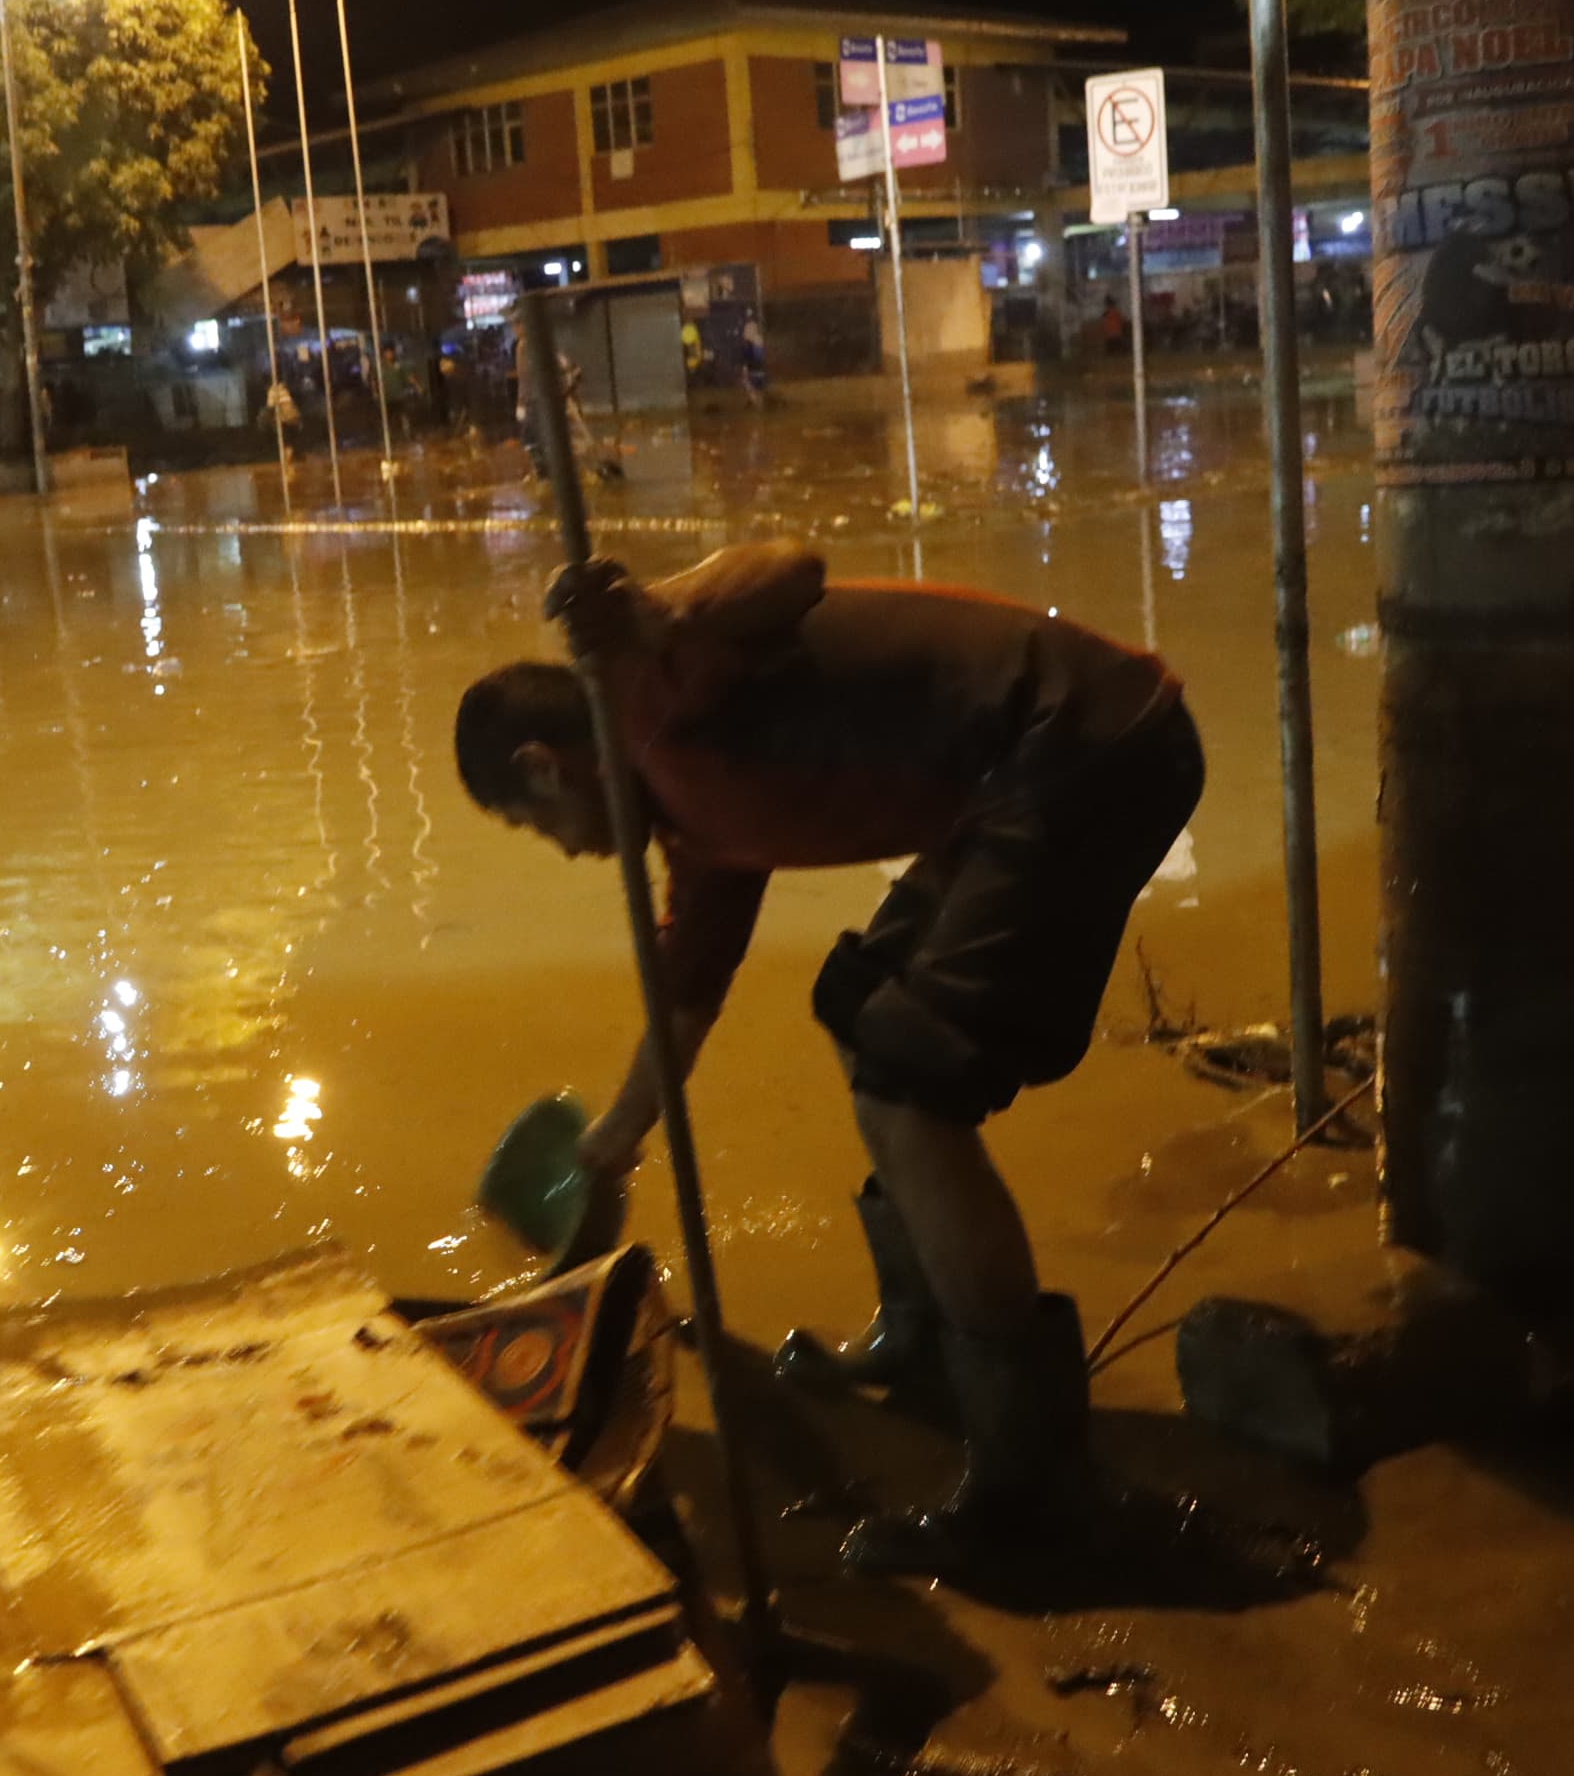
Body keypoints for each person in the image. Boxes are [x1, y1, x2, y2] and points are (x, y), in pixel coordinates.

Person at [453, 543, 1202, 1576]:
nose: (564, 849)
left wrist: (660, 607)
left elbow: (786, 570)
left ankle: (1034, 1493)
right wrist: (611, 1146)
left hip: (1084, 747)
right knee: (858, 1008)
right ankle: (932, 1337)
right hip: (1006, 786)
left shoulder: (654, 695)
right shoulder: (695, 827)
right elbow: (686, 999)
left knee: (909, 1086)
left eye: (535, 824)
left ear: (544, 765)